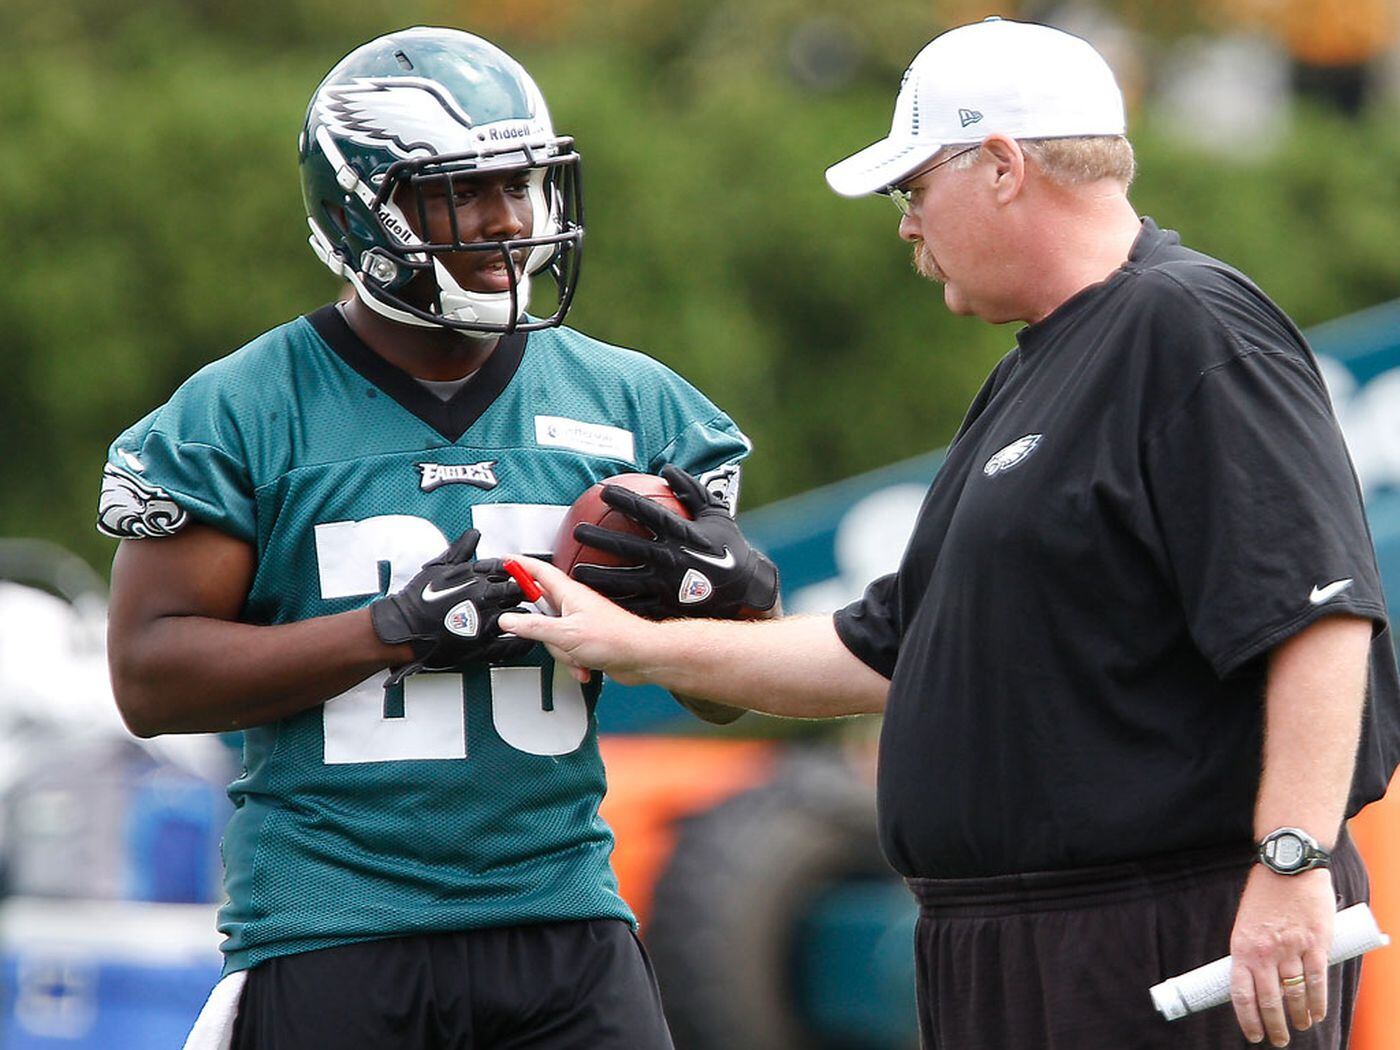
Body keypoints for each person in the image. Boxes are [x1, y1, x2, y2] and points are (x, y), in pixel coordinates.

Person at [500, 17, 1400, 1050]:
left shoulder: (1187, 325)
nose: (906, 226)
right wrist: (636, 646)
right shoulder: (1034, 372)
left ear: (1003, 167)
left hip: (1163, 930)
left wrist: (1289, 865)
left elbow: (1318, 618)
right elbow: (886, 649)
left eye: (913, 189)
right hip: (1023, 943)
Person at [98, 26, 774, 1049]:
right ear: (360, 209)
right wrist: (389, 630)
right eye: (463, 192)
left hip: (563, 920)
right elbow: (151, 681)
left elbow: (724, 699)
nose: (508, 220)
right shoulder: (242, 412)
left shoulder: (634, 405)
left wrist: (733, 601)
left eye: (520, 185)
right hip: (336, 927)